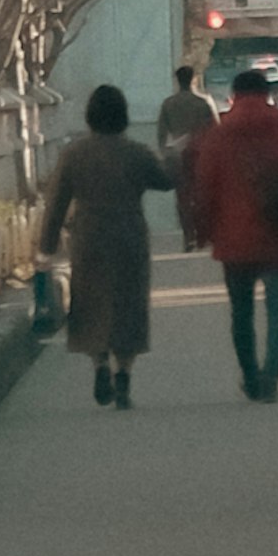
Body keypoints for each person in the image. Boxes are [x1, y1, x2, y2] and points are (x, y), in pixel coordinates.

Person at [184, 59, 278, 398]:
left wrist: (201, 231)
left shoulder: (216, 137)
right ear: (268, 94)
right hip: (277, 231)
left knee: (241, 312)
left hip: (233, 237)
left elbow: (203, 187)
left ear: (233, 96)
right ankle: (270, 379)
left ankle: (250, 376)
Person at [37, 83, 169, 406]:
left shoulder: (74, 154)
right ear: (123, 116)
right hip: (129, 235)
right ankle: (123, 373)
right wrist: (177, 155)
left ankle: (99, 364)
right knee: (129, 305)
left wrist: (46, 246)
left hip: (88, 237)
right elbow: (164, 181)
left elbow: (56, 204)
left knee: (90, 304)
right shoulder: (136, 152)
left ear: (90, 116)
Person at [152, 52, 216, 242]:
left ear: (177, 80)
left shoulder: (168, 104)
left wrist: (164, 153)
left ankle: (188, 236)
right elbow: (214, 128)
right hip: (201, 153)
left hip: (178, 155)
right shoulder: (203, 102)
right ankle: (203, 233)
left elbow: (162, 133)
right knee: (202, 194)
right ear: (193, 79)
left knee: (183, 196)